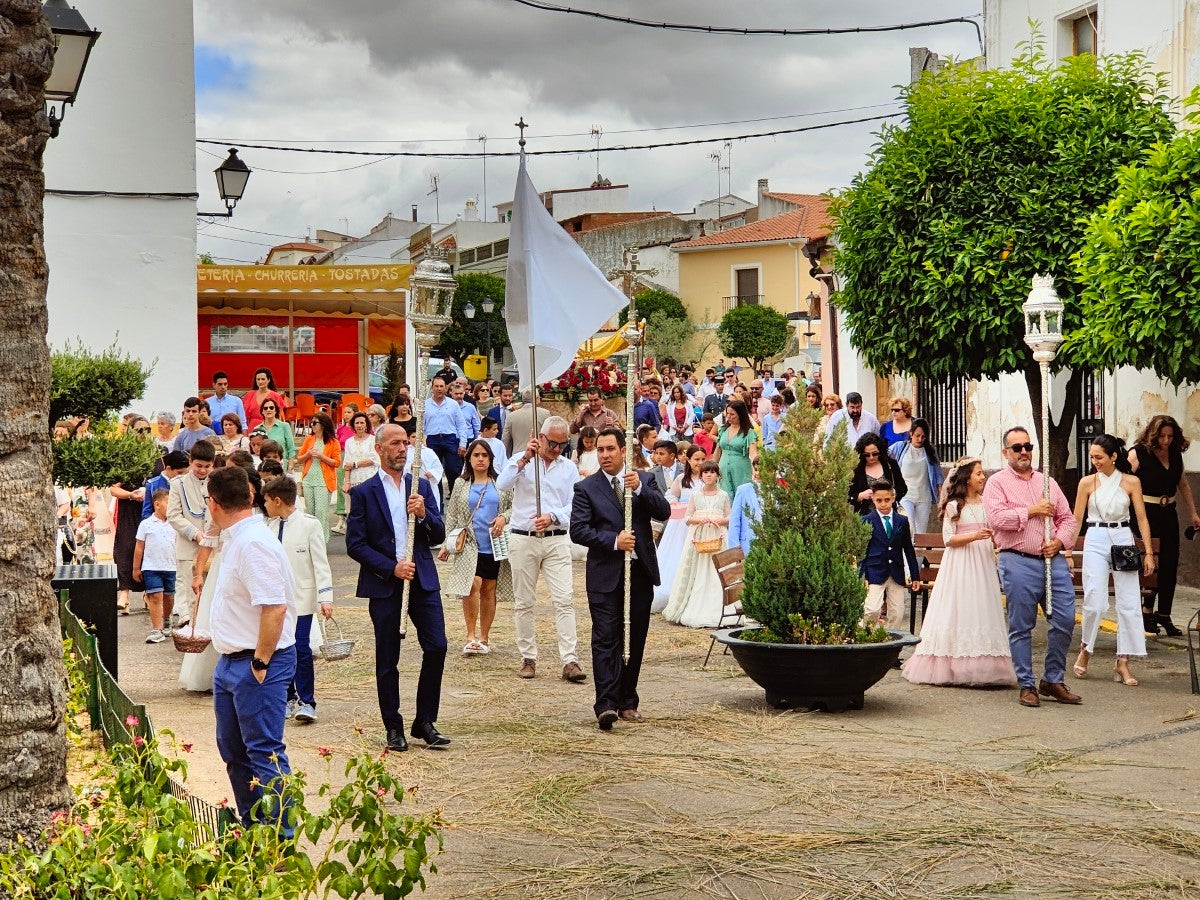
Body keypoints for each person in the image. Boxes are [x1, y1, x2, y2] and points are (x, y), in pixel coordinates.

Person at [346, 424, 449, 751]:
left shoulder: (419, 487)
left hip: (423, 580)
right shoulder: (363, 493)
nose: (403, 448)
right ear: (379, 449)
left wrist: (424, 515)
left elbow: (439, 534)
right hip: (385, 585)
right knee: (388, 657)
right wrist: (391, 567)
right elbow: (355, 545)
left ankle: (425, 721)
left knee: (437, 646)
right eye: (395, 443)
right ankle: (394, 725)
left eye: (406, 442)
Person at [206, 465, 297, 832]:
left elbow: (274, 607)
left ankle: (280, 839)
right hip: (232, 661)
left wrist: (260, 661)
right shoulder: (237, 537)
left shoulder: (253, 542)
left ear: (213, 504)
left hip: (258, 661)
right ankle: (254, 826)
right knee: (234, 751)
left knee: (264, 753)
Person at [570, 427, 671, 729]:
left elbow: (663, 510)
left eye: (610, 449)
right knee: (605, 638)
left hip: (639, 573)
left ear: (623, 451)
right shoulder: (586, 488)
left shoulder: (645, 479)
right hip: (605, 575)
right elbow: (578, 530)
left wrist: (640, 488)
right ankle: (606, 703)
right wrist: (614, 541)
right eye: (600, 450)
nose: (605, 455)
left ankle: (628, 699)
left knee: (634, 638)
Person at [982, 426, 1080, 708]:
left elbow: (1068, 519)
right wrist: (1031, 511)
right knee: (1022, 625)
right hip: (1018, 560)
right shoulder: (997, 483)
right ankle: (1027, 684)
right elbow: (997, 519)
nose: (1024, 452)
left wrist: (1059, 542)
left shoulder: (1047, 481)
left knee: (1064, 619)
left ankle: (1052, 679)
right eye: (1017, 448)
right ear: (1006, 453)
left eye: (1028, 446)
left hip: (1053, 560)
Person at [902, 459, 1016, 686]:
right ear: (966, 478)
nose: (983, 478)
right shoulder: (954, 505)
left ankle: (986, 663)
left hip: (982, 561)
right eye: (979, 474)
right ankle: (951, 663)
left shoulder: (986, 503)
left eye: (983, 473)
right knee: (960, 604)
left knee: (981, 605)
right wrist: (974, 536)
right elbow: (949, 539)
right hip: (961, 562)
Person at [496, 415, 586, 682]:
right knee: (524, 602)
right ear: (541, 437)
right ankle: (528, 657)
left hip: (556, 538)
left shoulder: (568, 468)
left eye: (562, 444)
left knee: (564, 600)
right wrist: (524, 458)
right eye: (553, 443)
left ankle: (570, 660)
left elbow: (575, 506)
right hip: (524, 538)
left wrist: (553, 516)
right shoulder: (521, 461)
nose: (557, 449)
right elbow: (502, 485)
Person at [1070, 435, 1156, 687]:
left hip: (1123, 536)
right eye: (1092, 457)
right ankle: (1086, 649)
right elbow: (1076, 520)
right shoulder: (1087, 483)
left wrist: (1148, 551)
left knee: (1129, 600)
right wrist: (1067, 550)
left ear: (1113, 457)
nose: (1094, 461)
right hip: (1095, 536)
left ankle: (1123, 661)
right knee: (1094, 599)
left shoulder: (1131, 481)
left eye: (1099, 457)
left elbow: (1141, 518)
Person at [263, 475, 334, 724]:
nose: (266, 506)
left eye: (268, 501)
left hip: (302, 599)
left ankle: (307, 701)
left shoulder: (309, 525)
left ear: (278, 500)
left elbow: (320, 564)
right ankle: (287, 697)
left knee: (301, 649)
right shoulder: (269, 527)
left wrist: (325, 597)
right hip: (276, 601)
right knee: (280, 650)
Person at [437, 439, 513, 657]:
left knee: (489, 589)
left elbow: (513, 508)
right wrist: (447, 543)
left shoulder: (501, 484)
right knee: (472, 585)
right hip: (469, 544)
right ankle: (470, 635)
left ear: (490, 459)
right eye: (476, 455)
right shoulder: (461, 484)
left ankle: (484, 637)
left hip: (495, 545)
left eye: (484, 455)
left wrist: (502, 517)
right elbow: (451, 514)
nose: (480, 459)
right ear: (468, 459)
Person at [1128, 414, 1200, 637]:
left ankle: (1164, 615)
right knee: (1151, 563)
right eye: (1162, 436)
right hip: (1144, 513)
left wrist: (1193, 513)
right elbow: (1124, 482)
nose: (1166, 441)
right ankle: (1147, 611)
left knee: (1170, 562)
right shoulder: (1138, 453)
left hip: (1168, 511)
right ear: (1153, 434)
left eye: (1170, 436)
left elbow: (1183, 484)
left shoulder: (1175, 454)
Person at [662, 461, 731, 627]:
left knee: (717, 570)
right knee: (698, 570)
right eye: (706, 472)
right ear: (701, 476)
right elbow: (687, 517)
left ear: (717, 475)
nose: (709, 475)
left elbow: (729, 516)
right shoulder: (696, 495)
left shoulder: (723, 495)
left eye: (712, 472)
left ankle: (720, 606)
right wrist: (699, 519)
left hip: (718, 536)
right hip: (699, 537)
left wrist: (720, 520)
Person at [166, 441, 216, 632]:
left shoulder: (217, 481)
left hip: (214, 546)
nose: (202, 471)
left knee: (212, 592)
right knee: (191, 592)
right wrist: (195, 534)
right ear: (190, 461)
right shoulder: (178, 483)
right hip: (189, 546)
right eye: (198, 466)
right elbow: (173, 515)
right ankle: (194, 633)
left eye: (207, 467)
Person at [859, 481, 921, 632]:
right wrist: (861, 576)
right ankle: (868, 638)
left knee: (897, 612)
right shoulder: (866, 520)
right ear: (873, 499)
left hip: (896, 572)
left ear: (893, 498)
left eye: (887, 500)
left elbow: (908, 548)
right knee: (871, 609)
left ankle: (891, 641)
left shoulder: (902, 521)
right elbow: (862, 550)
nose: (883, 504)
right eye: (879, 500)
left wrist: (915, 575)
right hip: (875, 571)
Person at [132, 489, 176, 643]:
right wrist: (136, 568)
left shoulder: (175, 524)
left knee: (169, 596)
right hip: (151, 566)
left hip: (171, 566)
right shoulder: (146, 524)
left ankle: (166, 619)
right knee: (155, 596)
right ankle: (156, 628)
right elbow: (139, 547)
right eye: (169, 503)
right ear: (157, 504)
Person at [888, 418, 943, 533]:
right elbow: (884, 455)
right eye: (917, 435)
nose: (920, 439)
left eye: (923, 436)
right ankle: (907, 551)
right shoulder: (900, 447)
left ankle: (918, 551)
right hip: (905, 496)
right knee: (909, 528)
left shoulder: (930, 451)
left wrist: (941, 498)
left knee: (920, 533)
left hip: (924, 497)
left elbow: (938, 476)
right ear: (911, 433)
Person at [296, 412, 342, 542]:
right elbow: (299, 459)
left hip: (323, 480)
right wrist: (308, 454)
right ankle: (311, 540)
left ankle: (322, 541)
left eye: (315, 423)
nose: (312, 425)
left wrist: (322, 456)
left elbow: (337, 462)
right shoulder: (309, 439)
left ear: (323, 424)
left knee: (321, 512)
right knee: (310, 512)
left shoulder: (333, 442)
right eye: (312, 423)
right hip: (308, 479)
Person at [424, 375, 470, 494]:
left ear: (446, 388)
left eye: (441, 386)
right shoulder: (425, 405)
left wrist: (463, 443)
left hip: (450, 439)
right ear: (432, 388)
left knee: (453, 470)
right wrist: (422, 442)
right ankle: (438, 503)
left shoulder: (453, 404)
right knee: (434, 472)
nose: (439, 389)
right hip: (432, 440)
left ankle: (454, 498)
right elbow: (421, 426)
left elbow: (461, 424)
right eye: (436, 386)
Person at [337, 410, 380, 534]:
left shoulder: (373, 440)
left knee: (371, 511)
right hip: (354, 481)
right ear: (353, 425)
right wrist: (347, 481)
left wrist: (355, 464)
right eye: (357, 423)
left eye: (362, 422)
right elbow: (346, 464)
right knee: (355, 512)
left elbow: (374, 459)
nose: (359, 425)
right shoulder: (349, 441)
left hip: (370, 479)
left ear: (366, 424)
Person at [849, 433, 908, 516]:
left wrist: (891, 493)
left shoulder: (891, 465)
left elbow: (903, 488)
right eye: (867, 455)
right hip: (865, 516)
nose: (871, 457)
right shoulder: (857, 469)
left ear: (880, 451)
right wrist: (861, 496)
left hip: (889, 514)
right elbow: (848, 495)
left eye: (875, 453)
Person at [714, 400, 757, 499]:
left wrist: (755, 469)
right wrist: (712, 466)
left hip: (741, 470)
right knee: (725, 496)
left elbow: (753, 453)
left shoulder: (749, 433)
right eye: (727, 413)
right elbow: (717, 450)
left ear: (740, 415)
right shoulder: (723, 430)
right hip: (723, 469)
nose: (728, 417)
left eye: (732, 414)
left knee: (742, 496)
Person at [728, 458, 762, 557]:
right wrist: (735, 551)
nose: (757, 473)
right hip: (747, 545)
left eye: (761, 469)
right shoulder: (743, 490)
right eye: (755, 469)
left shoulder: (777, 491)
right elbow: (734, 521)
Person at [502, 388, 550, 458]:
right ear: (536, 399)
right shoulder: (545, 414)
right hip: (537, 455)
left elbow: (505, 440)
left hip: (517, 457)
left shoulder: (511, 416)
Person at [141, 450, 189, 520]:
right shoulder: (152, 485)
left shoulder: (187, 483)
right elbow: (146, 513)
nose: (183, 476)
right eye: (180, 473)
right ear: (168, 468)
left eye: (186, 473)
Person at [244, 366, 287, 433]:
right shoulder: (249, 395)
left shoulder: (276, 396)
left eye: (263, 379)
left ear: (269, 379)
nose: (260, 382)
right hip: (252, 428)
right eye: (258, 379)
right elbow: (245, 417)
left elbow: (279, 416)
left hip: (270, 428)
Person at [258, 398, 296, 468]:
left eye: (271, 407)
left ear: (276, 410)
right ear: (262, 411)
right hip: (264, 467)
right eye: (265, 408)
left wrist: (290, 468)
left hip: (282, 466)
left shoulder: (284, 426)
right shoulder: (257, 428)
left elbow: (291, 449)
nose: (268, 410)